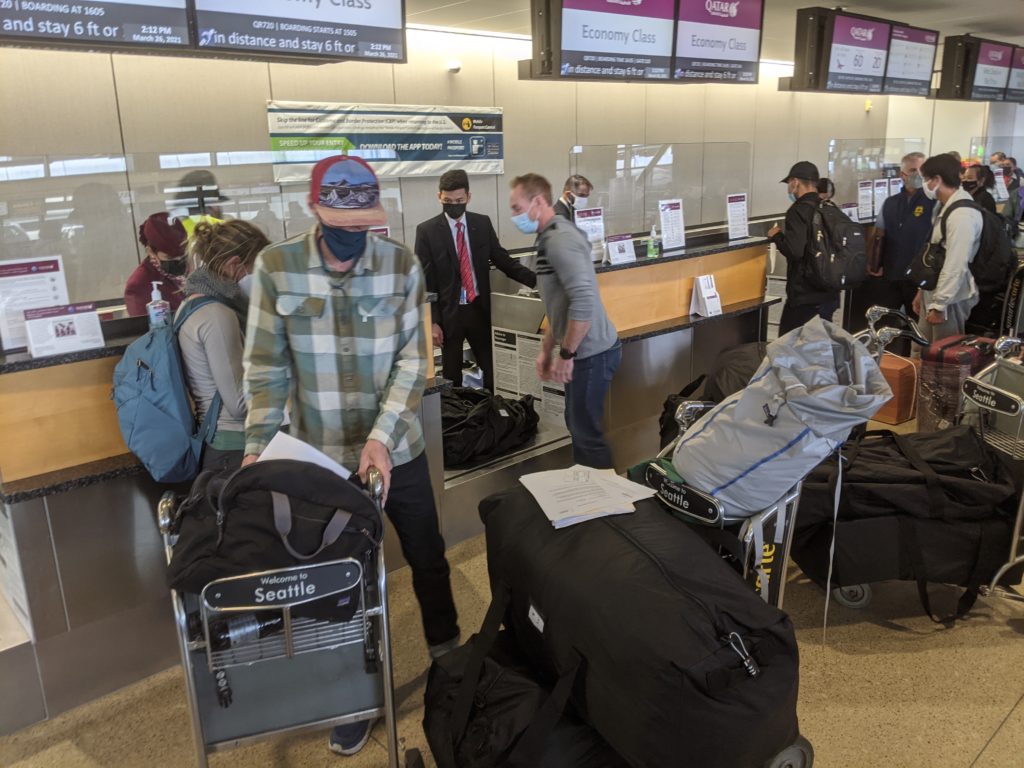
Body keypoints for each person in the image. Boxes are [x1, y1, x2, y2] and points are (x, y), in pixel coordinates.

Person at [241, 155, 459, 758]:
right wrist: (259, 448)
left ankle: (450, 656)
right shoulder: (275, 269)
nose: (352, 236)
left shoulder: (400, 267)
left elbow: (414, 362)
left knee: (427, 555)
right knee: (340, 583)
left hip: (399, 451)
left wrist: (381, 438)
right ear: (315, 208)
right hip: (319, 460)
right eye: (341, 221)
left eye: (362, 222)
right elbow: (265, 369)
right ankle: (355, 695)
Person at [508, 172, 621, 469]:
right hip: (582, 349)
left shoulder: (560, 239)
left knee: (587, 434)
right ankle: (591, 497)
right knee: (579, 426)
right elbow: (559, 303)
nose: (514, 216)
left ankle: (603, 506)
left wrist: (567, 353)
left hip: (592, 352)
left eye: (517, 208)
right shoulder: (548, 237)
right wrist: (548, 348)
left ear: (538, 202)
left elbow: (583, 302)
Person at [415, 169, 536, 392]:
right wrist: (431, 321)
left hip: (478, 309)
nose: (454, 205)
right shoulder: (427, 231)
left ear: (468, 197)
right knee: (451, 375)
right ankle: (456, 420)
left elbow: (503, 261)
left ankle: (491, 416)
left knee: (491, 369)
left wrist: (537, 281)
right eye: (447, 201)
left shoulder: (481, 224)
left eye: (459, 200)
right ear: (439, 196)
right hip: (448, 314)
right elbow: (424, 280)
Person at [177, 220, 269, 472]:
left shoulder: (192, 302)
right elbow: (238, 404)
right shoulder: (217, 315)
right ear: (234, 265)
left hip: (221, 443)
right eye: (257, 268)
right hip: (233, 447)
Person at [848, 153, 934, 343]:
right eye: (913, 170)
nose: (918, 175)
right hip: (892, 275)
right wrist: (874, 263)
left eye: (922, 171)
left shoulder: (933, 202)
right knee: (885, 327)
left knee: (917, 330)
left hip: (918, 279)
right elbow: (879, 235)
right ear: (902, 174)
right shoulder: (890, 203)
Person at [912, 153, 983, 342]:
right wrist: (922, 291)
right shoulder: (944, 207)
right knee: (922, 347)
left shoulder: (962, 214)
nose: (923, 184)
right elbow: (935, 254)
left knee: (943, 356)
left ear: (937, 179)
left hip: (951, 298)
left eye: (925, 179)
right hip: (934, 290)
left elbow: (956, 262)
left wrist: (940, 304)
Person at [767, 161, 839, 334]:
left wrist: (776, 235)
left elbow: (795, 251)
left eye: (789, 183)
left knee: (789, 349)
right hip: (829, 292)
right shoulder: (829, 207)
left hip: (805, 296)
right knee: (818, 348)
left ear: (795, 182)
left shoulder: (798, 210)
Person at [124, 212, 190, 317]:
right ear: (150, 252)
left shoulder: (193, 271)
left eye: (183, 255)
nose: (179, 261)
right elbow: (143, 329)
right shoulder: (139, 286)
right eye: (169, 257)